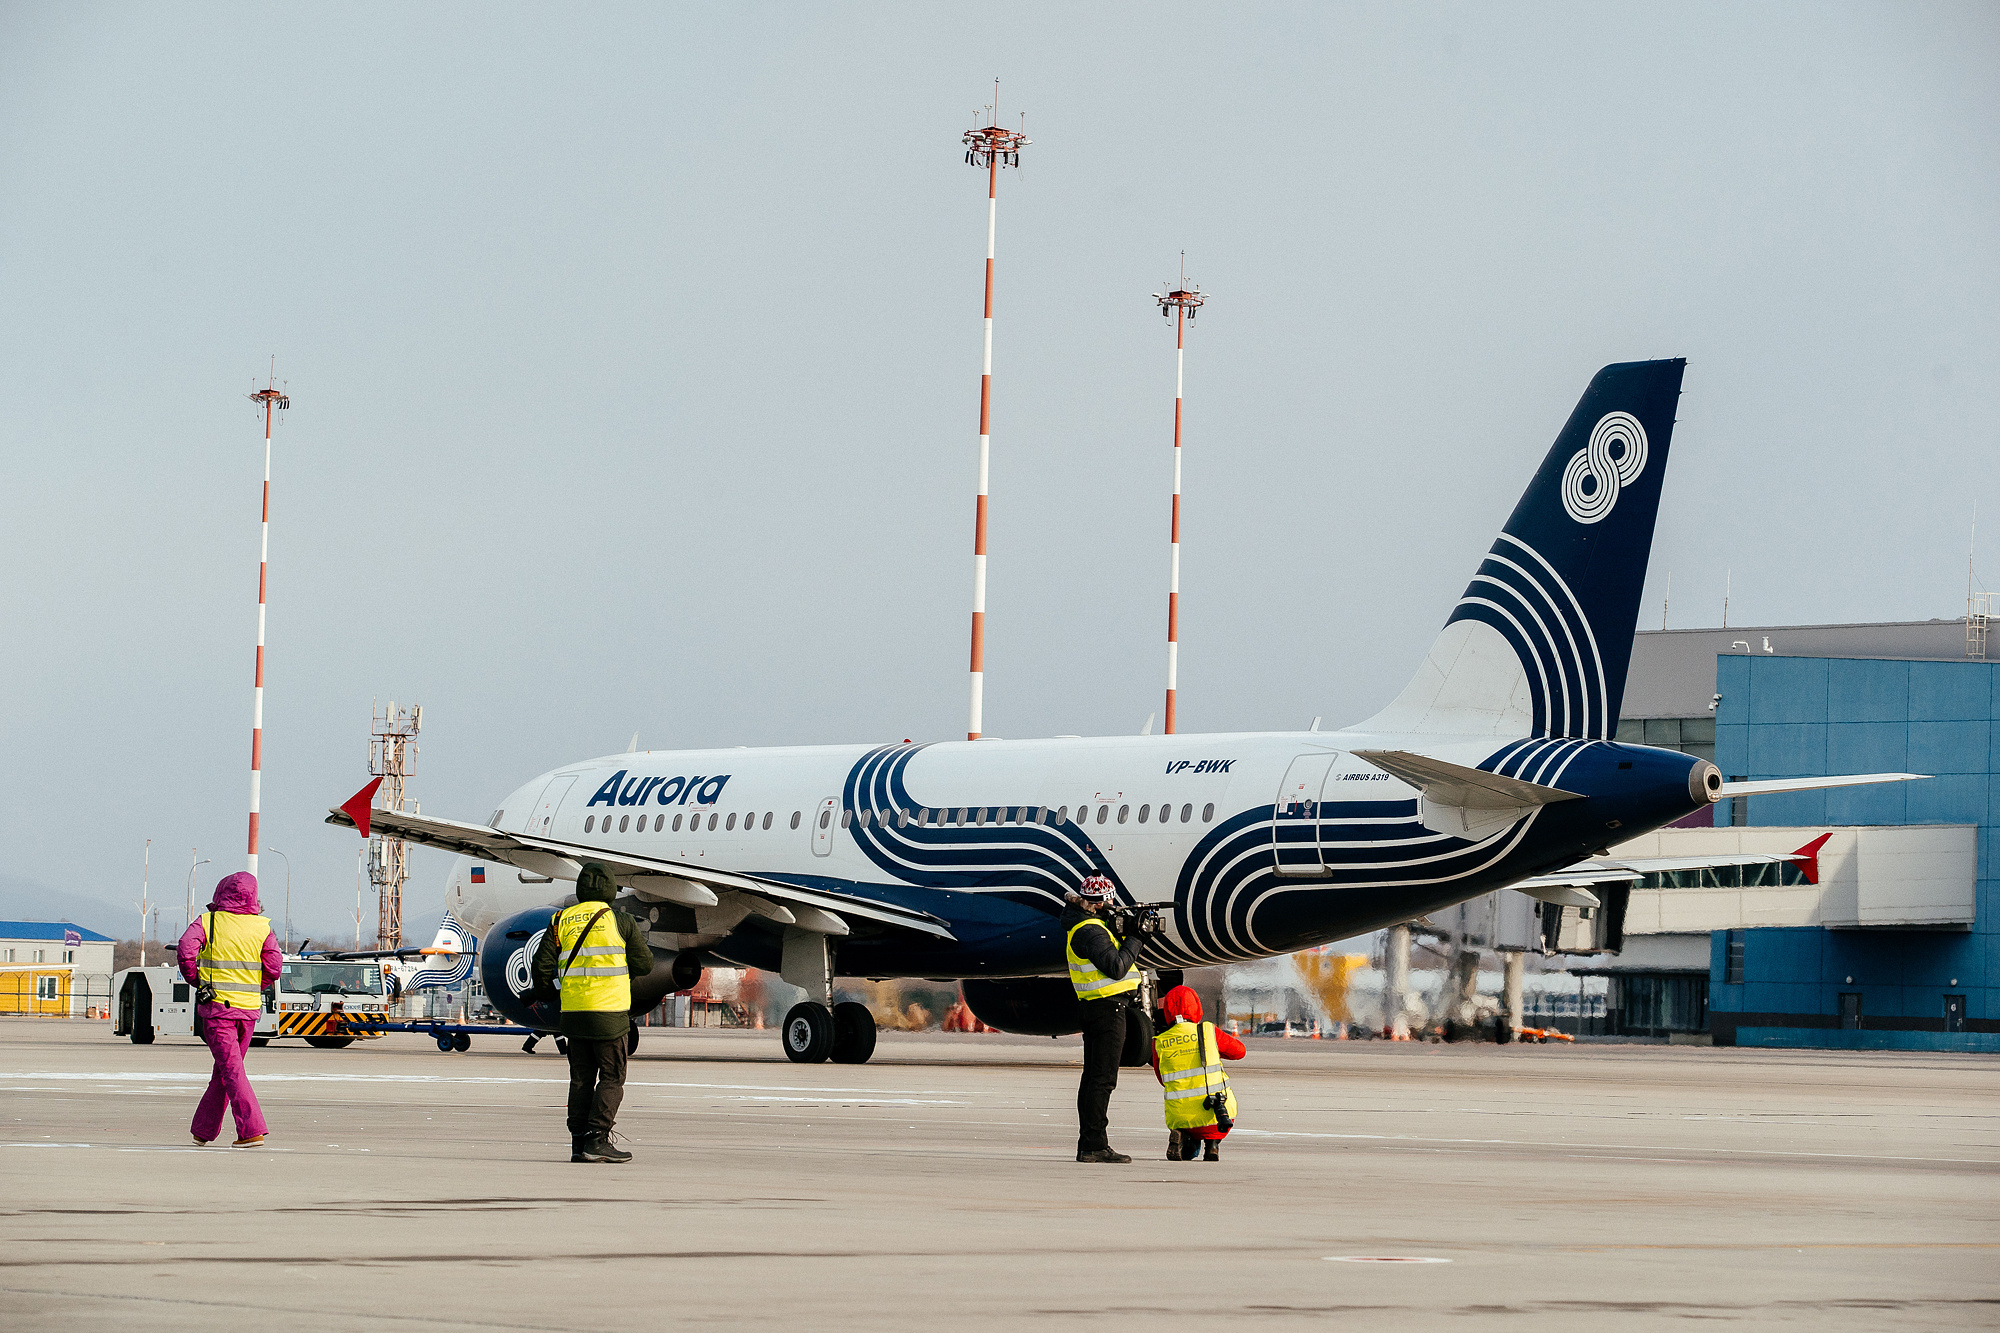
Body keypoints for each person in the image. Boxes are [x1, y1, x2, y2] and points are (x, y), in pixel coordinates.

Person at [531, 862, 653, 1164]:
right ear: (611, 890)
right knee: (611, 1078)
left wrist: (551, 993)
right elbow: (645, 964)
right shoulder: (620, 921)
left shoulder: (561, 920)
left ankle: (577, 1142)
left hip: (573, 1014)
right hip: (609, 1015)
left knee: (581, 1080)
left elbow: (541, 969)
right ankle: (597, 1139)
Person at [176, 871, 282, 1148]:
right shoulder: (262, 928)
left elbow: (186, 949)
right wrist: (253, 985)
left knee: (231, 1071)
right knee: (227, 1070)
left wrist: (196, 979)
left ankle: (251, 1130)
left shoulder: (208, 922)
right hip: (248, 1012)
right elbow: (274, 968)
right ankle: (203, 1130)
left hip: (218, 1009)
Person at [1062, 874, 1143, 1164]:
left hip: (1100, 1009)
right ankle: (1094, 1144)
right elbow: (1117, 967)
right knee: (1102, 1080)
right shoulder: (1090, 931)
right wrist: (1136, 937)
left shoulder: (1088, 926)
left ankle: (1091, 1142)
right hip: (1106, 1010)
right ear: (1102, 902)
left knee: (1095, 1079)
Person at [1151, 984, 1245, 1161]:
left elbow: (1162, 1079)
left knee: (1189, 1149)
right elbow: (1240, 1051)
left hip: (1179, 1117)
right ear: (1196, 1006)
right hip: (1216, 1115)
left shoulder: (1159, 1041)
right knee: (1219, 1117)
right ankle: (1212, 1146)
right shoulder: (1207, 1031)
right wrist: (1215, 1049)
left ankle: (1181, 1137)